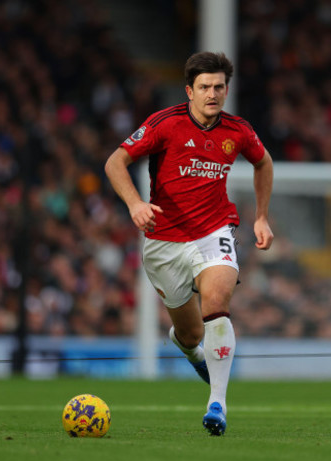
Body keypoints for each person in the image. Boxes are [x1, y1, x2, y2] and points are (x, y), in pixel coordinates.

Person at [104, 51, 274, 436]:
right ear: (189, 91)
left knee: (217, 302)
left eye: (218, 87)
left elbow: (264, 163)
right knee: (191, 333)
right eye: (204, 87)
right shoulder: (164, 124)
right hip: (164, 242)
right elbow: (115, 161)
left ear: (226, 89)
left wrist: (261, 215)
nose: (212, 93)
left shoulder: (238, 131)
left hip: (215, 230)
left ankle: (217, 403)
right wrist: (134, 204)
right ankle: (189, 348)